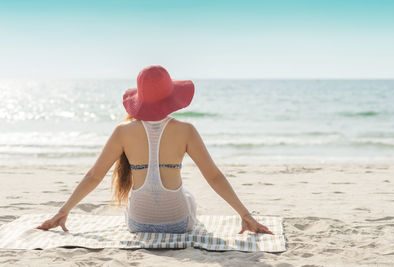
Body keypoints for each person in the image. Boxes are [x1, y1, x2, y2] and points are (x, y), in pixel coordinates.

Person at [36, 65, 274, 235]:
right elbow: (214, 177)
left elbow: (93, 176)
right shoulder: (186, 130)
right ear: (171, 97)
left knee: (144, 198)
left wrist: (63, 211)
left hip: (138, 223)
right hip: (179, 223)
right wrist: (246, 215)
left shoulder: (122, 131)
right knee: (188, 195)